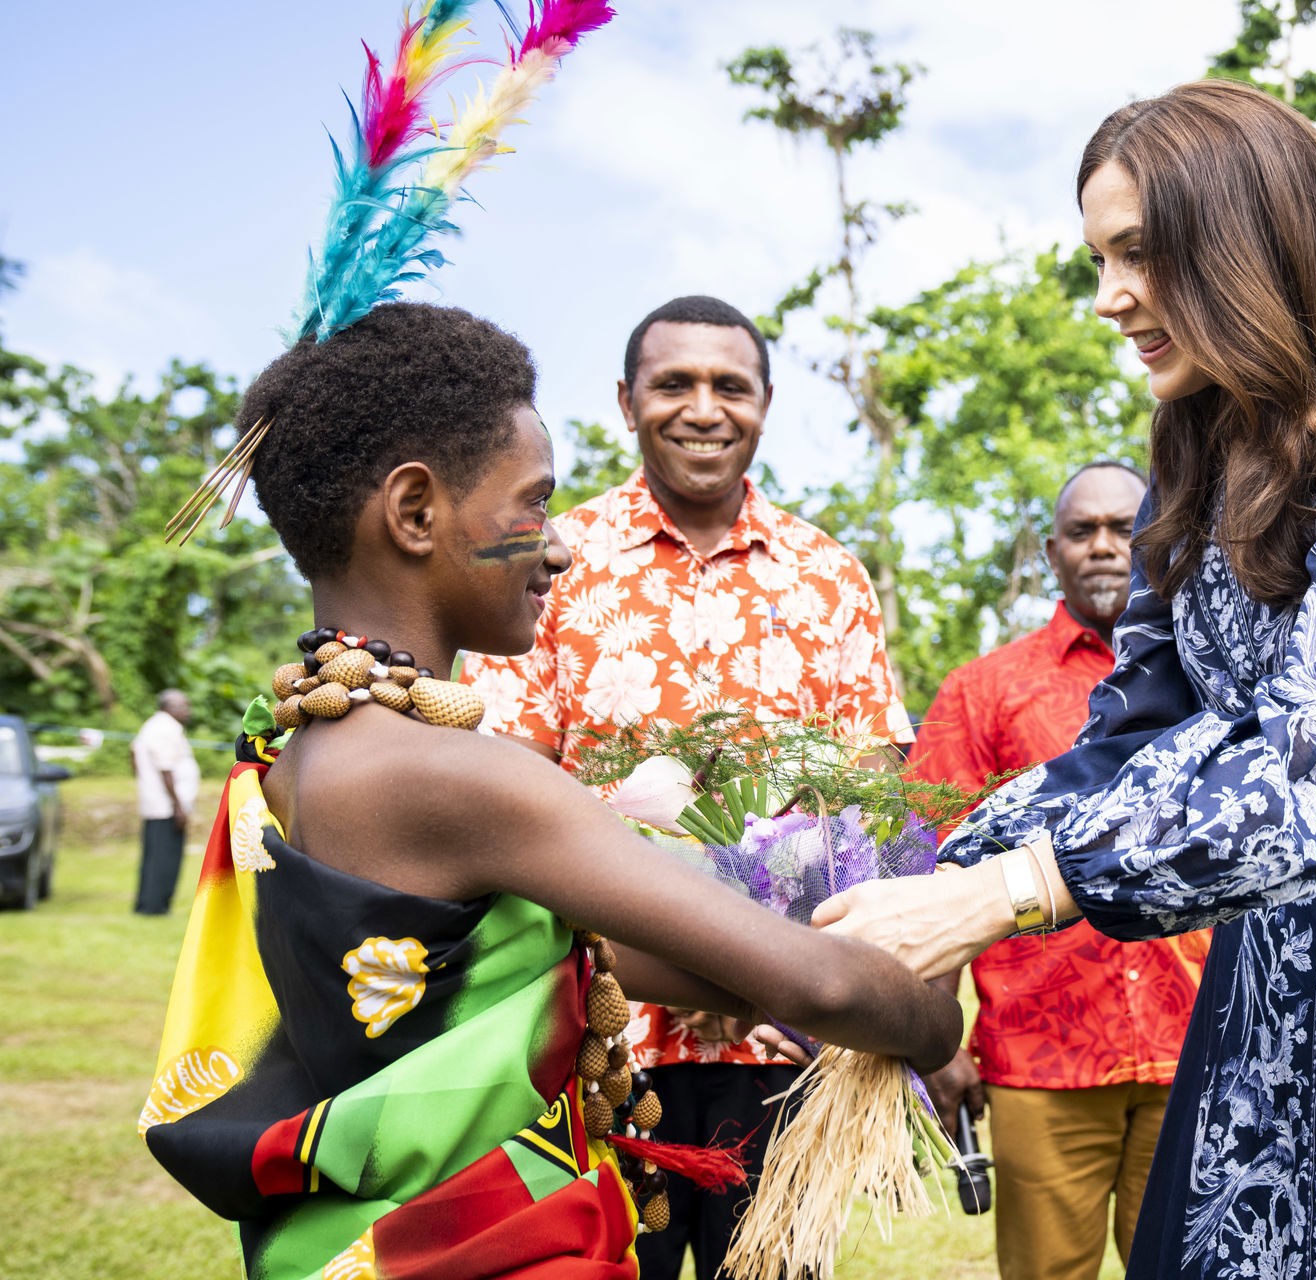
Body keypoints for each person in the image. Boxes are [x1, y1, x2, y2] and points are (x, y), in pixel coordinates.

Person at [810, 81, 1316, 1280]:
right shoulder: (1191, 458)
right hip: (1265, 981)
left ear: (1244, 240)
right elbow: (1127, 740)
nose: (1108, 297)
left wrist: (1011, 895)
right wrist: (898, 897)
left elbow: (1313, 782)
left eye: (1138, 254)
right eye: (1100, 258)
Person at [142, 302, 960, 1280]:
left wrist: (768, 946)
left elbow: (560, 950)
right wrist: (931, 1015)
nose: (560, 546)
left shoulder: (298, 744)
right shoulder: (456, 775)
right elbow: (816, 982)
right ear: (413, 514)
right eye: (531, 504)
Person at [461, 294, 915, 1280]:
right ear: (626, 401)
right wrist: (674, 955)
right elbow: (499, 792)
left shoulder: (827, 574)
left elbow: (869, 797)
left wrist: (773, 971)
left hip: (784, 1040)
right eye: (674, 384)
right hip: (596, 1029)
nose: (702, 407)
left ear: (764, 403)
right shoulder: (551, 565)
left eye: (728, 385)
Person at [909, 461, 1209, 1280]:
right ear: (1052, 552)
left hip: (1201, 1049)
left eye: (1127, 529)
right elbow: (930, 865)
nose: (1106, 547)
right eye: (1084, 532)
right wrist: (936, 1039)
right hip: (1045, 1059)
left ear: (1162, 542)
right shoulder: (984, 692)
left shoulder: (1212, 680)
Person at [131, 689, 198, 915]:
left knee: (153, 856)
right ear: (169, 707)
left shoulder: (152, 725)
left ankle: (147, 903)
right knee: (165, 858)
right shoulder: (166, 728)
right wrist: (177, 806)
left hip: (156, 803)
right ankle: (155, 906)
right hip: (165, 807)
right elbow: (166, 768)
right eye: (184, 705)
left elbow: (133, 754)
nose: (188, 710)